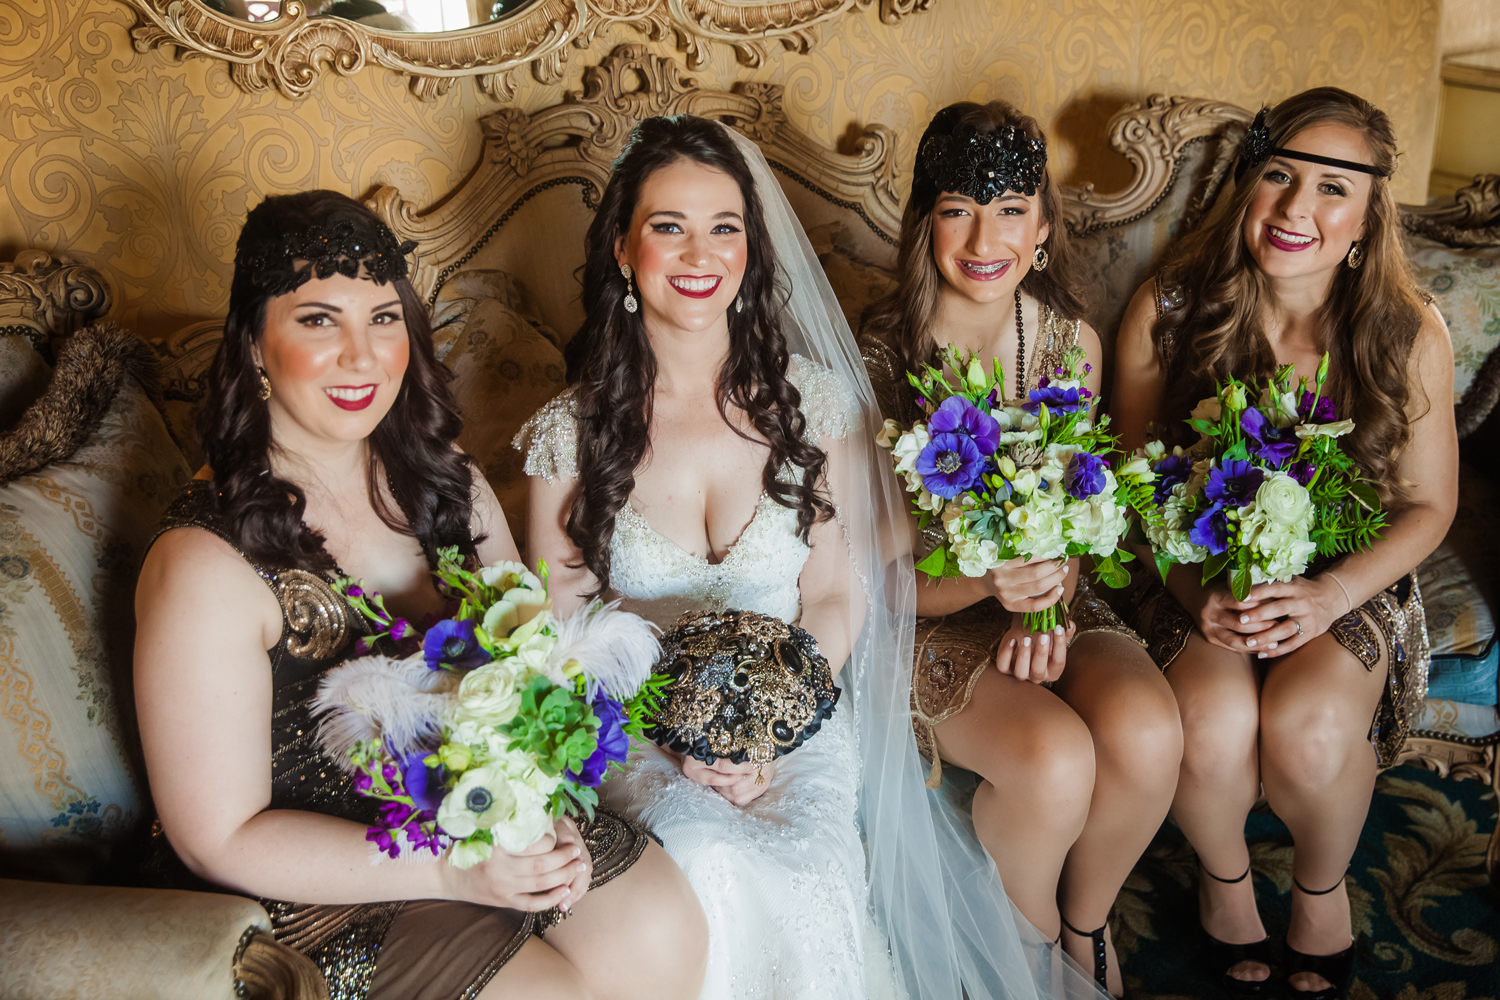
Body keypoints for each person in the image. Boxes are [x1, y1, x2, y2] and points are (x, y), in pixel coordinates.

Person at [519, 114, 1113, 1000]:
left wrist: (768, 724)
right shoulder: (568, 437)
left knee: (804, 863)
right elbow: (559, 634)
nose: (700, 253)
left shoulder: (817, 405)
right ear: (621, 248)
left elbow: (837, 592)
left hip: (799, 713)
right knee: (709, 856)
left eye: (725, 227)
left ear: (753, 250)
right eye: (668, 227)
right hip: (637, 731)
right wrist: (684, 735)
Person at [134, 190, 708, 1000]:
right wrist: (457, 866)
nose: (363, 357)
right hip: (316, 885)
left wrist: (544, 812)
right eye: (318, 320)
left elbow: (535, 675)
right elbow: (218, 838)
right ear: (255, 346)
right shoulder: (206, 560)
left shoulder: (450, 485)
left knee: (657, 928)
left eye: (383, 318)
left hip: (479, 817)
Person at [1109, 87, 1456, 999]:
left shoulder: (1407, 331)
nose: (1299, 208)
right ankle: (1226, 879)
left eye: (1333, 188)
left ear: (1368, 214)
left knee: (1306, 729)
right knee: (1215, 725)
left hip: (1350, 576)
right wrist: (1195, 595)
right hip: (1192, 568)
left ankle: (1320, 885)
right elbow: (1137, 485)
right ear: (1246, 185)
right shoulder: (1170, 308)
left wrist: (1330, 597)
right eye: (1279, 175)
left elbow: (1427, 508)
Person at [857, 99, 1183, 997]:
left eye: (1009, 210)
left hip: (1049, 600)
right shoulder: (876, 361)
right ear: (925, 224)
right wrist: (986, 585)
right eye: (958, 208)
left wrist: (1051, 589)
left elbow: (1083, 501)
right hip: (925, 622)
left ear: (1042, 227)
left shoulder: (1066, 339)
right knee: (1054, 758)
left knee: (1150, 731)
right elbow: (864, 581)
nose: (983, 236)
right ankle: (1031, 956)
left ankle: (1087, 924)